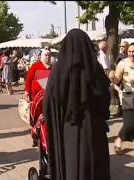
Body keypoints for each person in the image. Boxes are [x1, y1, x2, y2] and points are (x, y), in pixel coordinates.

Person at [43, 29, 111, 180]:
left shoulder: (58, 71)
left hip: (69, 127)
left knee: (72, 164)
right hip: (93, 127)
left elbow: (49, 102)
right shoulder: (95, 69)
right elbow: (105, 98)